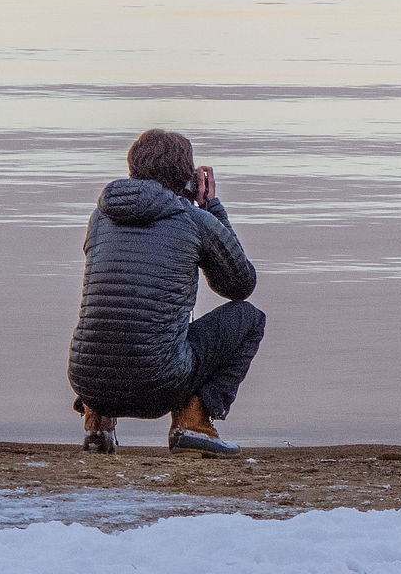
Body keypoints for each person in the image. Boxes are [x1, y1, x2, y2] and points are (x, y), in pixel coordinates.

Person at [67, 129, 264, 456]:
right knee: (249, 318)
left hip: (88, 381)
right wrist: (211, 208)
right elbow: (240, 286)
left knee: (117, 311)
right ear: (187, 178)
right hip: (159, 384)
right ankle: (194, 421)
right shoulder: (193, 218)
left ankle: (97, 424)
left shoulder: (100, 217)